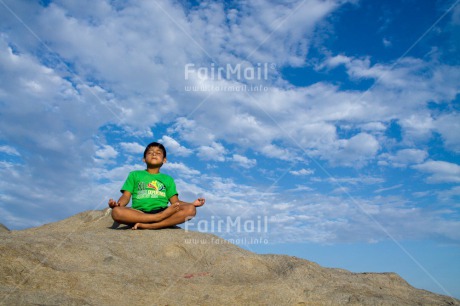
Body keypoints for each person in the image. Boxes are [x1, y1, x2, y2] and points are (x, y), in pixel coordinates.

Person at [108, 141, 205, 230]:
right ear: (144, 159)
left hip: (163, 211)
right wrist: (119, 204)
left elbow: (175, 202)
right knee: (116, 212)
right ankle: (157, 219)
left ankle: (153, 225)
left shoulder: (168, 179)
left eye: (158, 153)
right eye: (150, 152)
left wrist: (192, 204)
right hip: (139, 213)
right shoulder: (134, 174)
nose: (154, 154)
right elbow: (126, 195)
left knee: (191, 210)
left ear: (164, 160)